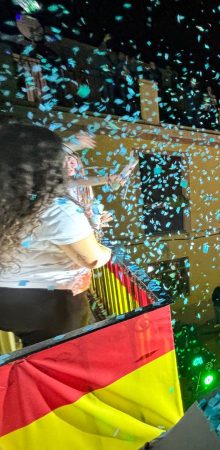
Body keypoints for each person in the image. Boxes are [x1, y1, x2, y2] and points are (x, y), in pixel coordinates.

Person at [0, 124, 111, 346]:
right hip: (51, 307)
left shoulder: (9, 199)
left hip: (6, 300)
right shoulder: (57, 209)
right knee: (63, 366)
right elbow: (92, 259)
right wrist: (106, 250)